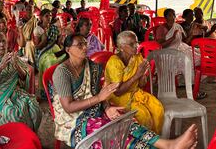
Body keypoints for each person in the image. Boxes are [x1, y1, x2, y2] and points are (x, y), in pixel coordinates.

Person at [52, 34, 198, 149]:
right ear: (68, 49)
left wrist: (108, 108)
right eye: (79, 45)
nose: (84, 47)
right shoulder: (62, 72)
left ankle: (168, 145)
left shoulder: (92, 67)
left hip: (95, 110)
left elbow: (100, 95)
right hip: (72, 120)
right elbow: (68, 107)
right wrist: (99, 99)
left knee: (126, 122)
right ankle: (168, 146)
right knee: (112, 134)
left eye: (85, 43)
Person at [0, 31, 41, 130]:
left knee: (34, 107)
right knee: (12, 113)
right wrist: (0, 67)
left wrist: (17, 66)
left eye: (4, 41)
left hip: (14, 91)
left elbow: (24, 78)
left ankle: (29, 135)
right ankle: (13, 138)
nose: (2, 45)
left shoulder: (10, 56)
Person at [105, 31, 164, 133]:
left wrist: (143, 74)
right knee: (143, 115)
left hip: (136, 93)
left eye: (137, 43)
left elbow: (141, 84)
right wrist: (137, 74)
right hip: (118, 98)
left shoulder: (137, 57)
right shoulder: (114, 62)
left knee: (158, 109)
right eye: (132, 44)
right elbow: (117, 92)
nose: (136, 46)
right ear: (122, 47)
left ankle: (155, 141)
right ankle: (143, 143)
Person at [33, 9, 66, 97]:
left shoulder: (54, 28)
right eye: (47, 16)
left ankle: (61, 87)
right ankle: (49, 91)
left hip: (55, 50)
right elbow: (38, 47)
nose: (49, 18)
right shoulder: (38, 29)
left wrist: (61, 37)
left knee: (66, 57)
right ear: (41, 18)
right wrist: (44, 40)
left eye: (50, 16)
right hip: (43, 53)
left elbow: (57, 43)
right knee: (50, 62)